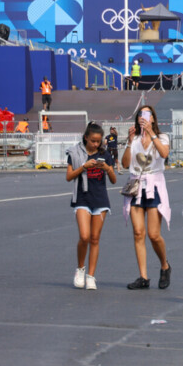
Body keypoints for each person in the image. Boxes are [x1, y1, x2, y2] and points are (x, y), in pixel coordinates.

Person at [122, 105, 173, 290]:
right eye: (141, 115)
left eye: (148, 114)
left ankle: (165, 266)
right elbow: (125, 163)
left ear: (153, 118)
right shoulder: (134, 139)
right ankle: (143, 276)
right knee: (138, 233)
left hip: (154, 186)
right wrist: (128, 142)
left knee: (153, 234)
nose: (144, 118)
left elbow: (164, 154)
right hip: (136, 186)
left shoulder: (161, 137)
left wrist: (151, 134)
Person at [66, 122, 117, 290]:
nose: (96, 144)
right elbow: (69, 176)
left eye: (98, 141)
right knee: (84, 236)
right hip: (82, 198)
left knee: (95, 238)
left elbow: (114, 180)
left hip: (100, 199)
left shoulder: (105, 154)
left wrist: (107, 168)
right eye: (93, 140)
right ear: (86, 137)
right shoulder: (74, 153)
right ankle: (80, 269)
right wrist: (83, 167)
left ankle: (91, 276)